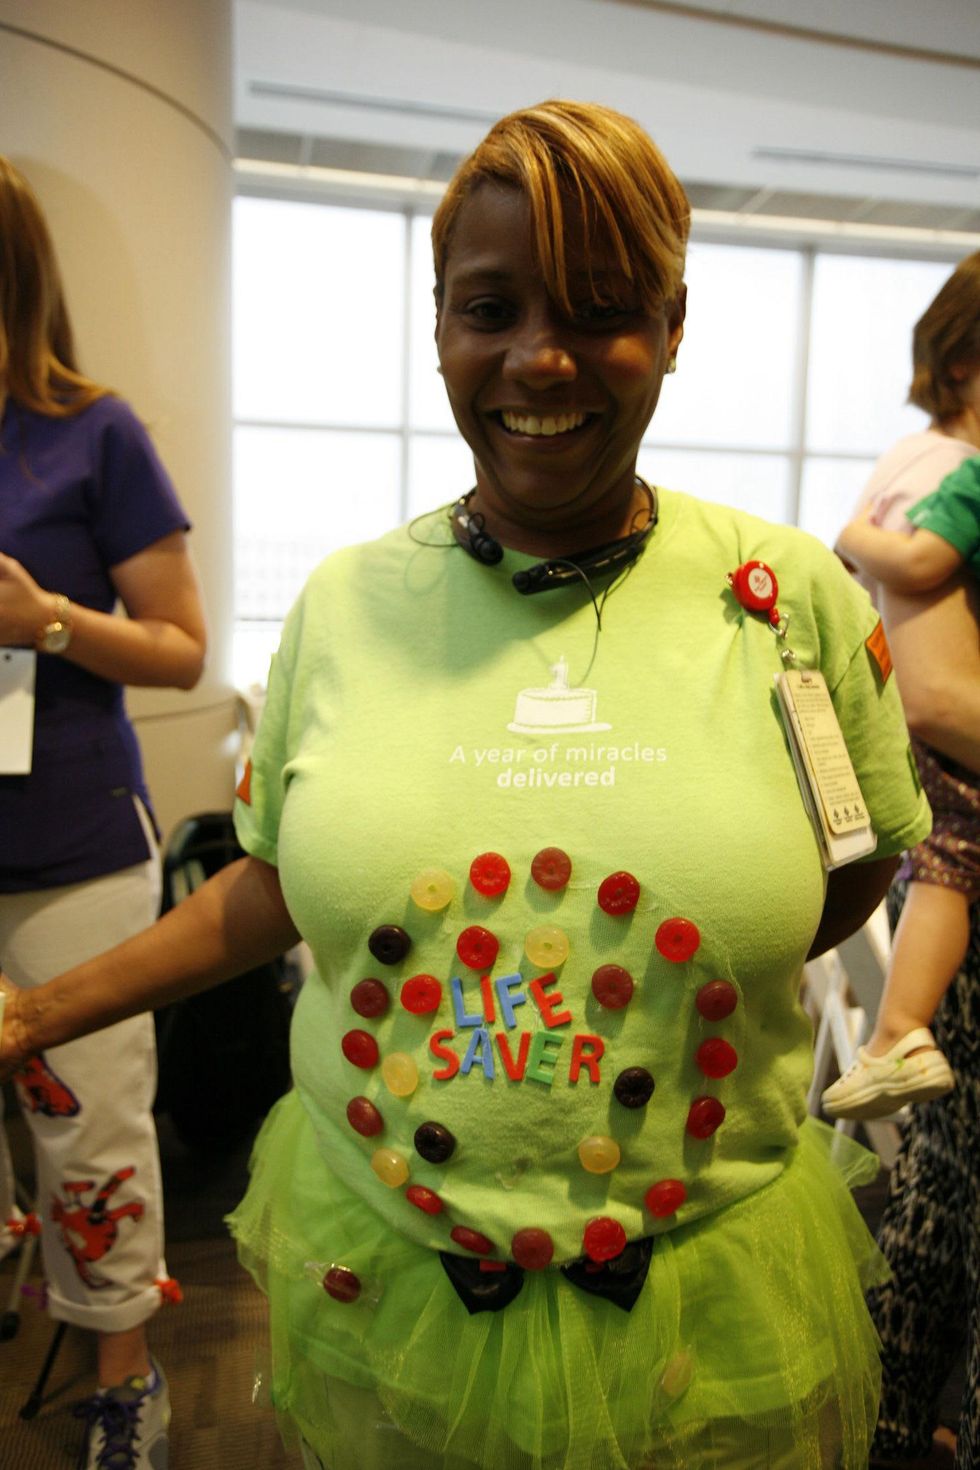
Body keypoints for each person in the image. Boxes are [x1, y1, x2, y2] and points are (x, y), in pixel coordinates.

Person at [0, 103, 930, 1469]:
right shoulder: (342, 603)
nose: (539, 358)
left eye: (602, 307)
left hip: (704, 1287)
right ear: (438, 325)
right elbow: (272, 885)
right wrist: (38, 1008)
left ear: (674, 327)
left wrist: (677, 947)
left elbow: (854, 864)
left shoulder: (790, 597)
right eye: (490, 307)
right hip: (392, 1278)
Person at [0, 157, 207, 1469]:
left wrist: (45, 623)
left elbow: (183, 648)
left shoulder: (93, 431)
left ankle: (126, 1380)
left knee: (88, 1124)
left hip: (67, 849)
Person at [821, 456, 980, 1119]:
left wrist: (855, 532)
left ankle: (897, 1032)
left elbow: (915, 564)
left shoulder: (965, 479)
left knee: (944, 857)